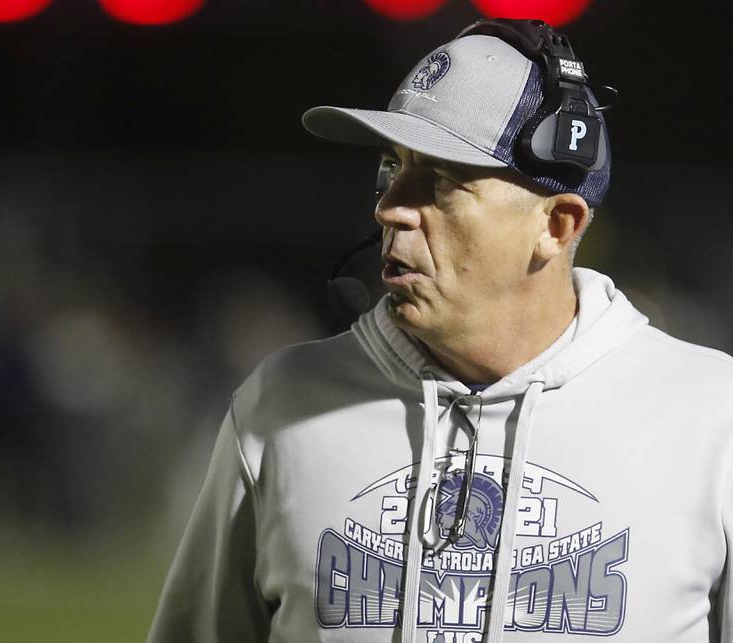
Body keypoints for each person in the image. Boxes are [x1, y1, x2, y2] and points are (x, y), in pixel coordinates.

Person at [146, 18, 733, 643]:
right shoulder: (282, 405)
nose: (391, 206)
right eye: (392, 167)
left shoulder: (710, 417)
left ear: (557, 225)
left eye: (443, 180)